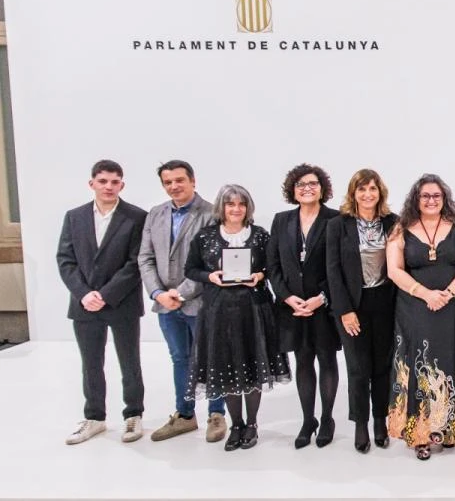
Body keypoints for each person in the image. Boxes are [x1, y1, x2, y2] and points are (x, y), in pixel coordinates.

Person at [384, 174, 455, 460]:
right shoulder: (400, 228)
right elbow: (394, 270)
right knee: (421, 368)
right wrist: (425, 293)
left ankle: (450, 430)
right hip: (415, 309)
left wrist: (448, 293)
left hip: (454, 308)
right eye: (425, 196)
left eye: (436, 196)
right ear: (416, 199)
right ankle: (421, 435)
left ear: (444, 198)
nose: (431, 201)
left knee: (453, 363)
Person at [185, 184, 291, 451]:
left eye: (241, 204)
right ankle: (236, 425)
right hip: (218, 312)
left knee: (253, 367)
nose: (236, 209)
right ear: (222, 207)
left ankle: (252, 425)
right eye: (230, 204)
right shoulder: (205, 236)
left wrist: (260, 275)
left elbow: (272, 266)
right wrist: (209, 276)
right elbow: (191, 269)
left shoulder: (259, 236)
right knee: (227, 368)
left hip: (253, 310)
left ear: (248, 208)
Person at [58, 160, 148, 445]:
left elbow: (136, 263)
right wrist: (84, 293)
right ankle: (94, 417)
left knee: (129, 361)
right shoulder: (75, 217)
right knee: (91, 363)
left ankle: (133, 415)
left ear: (122, 184)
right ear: (92, 184)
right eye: (103, 181)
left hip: (121, 303)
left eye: (115, 182)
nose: (109, 186)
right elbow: (66, 260)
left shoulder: (136, 217)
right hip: (84, 304)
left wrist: (106, 295)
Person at [137, 159, 226, 443]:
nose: (174, 186)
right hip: (165, 302)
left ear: (193, 181)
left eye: (179, 180)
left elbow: (213, 261)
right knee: (180, 358)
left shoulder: (211, 214)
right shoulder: (155, 214)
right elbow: (145, 258)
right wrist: (158, 293)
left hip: (200, 301)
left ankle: (217, 413)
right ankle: (185, 415)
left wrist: (182, 292)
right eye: (168, 182)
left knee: (211, 358)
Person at [267, 164, 342, 449]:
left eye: (312, 184)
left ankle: (326, 418)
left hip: (324, 305)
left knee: (326, 359)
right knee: (302, 361)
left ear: (322, 188)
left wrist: (321, 297)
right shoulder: (281, 220)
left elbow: (340, 266)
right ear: (293, 190)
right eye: (300, 184)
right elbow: (272, 265)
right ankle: (307, 419)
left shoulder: (335, 220)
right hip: (292, 307)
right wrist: (287, 297)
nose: (306, 188)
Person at [326, 169, 399, 453]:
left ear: (380, 192)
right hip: (353, 305)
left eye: (372, 188)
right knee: (358, 368)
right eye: (361, 189)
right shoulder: (338, 225)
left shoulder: (392, 222)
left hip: (384, 302)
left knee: (382, 366)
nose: (368, 194)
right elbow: (332, 271)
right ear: (353, 194)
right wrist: (344, 310)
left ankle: (381, 421)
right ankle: (360, 424)